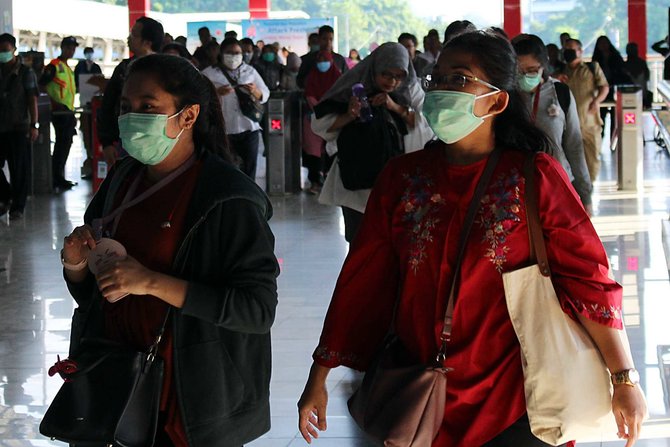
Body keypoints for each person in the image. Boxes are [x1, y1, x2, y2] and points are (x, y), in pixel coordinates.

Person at [298, 29, 647, 447]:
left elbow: (589, 279)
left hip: (519, 399)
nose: (442, 90)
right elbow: (363, 281)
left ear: (498, 100)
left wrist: (624, 377)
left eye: (459, 79)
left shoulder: (532, 176)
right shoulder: (402, 179)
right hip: (420, 393)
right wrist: (320, 373)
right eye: (437, 80)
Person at [59, 53, 279, 447]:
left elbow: (256, 310)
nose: (131, 118)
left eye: (148, 107)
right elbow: (99, 292)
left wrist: (153, 282)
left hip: (189, 402)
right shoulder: (124, 180)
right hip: (115, 385)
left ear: (188, 116)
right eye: (126, 107)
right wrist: (76, 264)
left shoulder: (228, 199)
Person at [312, 42, 425, 243]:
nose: (392, 82)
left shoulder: (410, 90)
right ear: (375, 68)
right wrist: (349, 114)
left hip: (396, 181)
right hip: (357, 182)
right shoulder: (353, 86)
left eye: (399, 76)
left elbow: (426, 123)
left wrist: (395, 107)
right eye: (386, 74)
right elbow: (321, 124)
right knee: (359, 242)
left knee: (392, 243)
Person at [512, 34, 592, 215]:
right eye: (519, 71)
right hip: (516, 190)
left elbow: (574, 144)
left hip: (558, 185)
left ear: (543, 65)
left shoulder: (560, 92)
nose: (525, 76)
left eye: (531, 70)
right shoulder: (507, 96)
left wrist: (584, 194)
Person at [98, 16, 164, 168]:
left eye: (134, 35)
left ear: (147, 42)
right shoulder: (123, 69)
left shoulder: (166, 71)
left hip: (160, 141)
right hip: (127, 142)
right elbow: (108, 105)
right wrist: (107, 142)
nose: (128, 39)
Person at [202, 38, 269, 180]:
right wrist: (217, 93)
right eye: (229, 52)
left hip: (249, 128)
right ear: (222, 53)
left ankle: (249, 198)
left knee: (249, 169)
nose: (234, 56)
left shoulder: (249, 71)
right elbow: (199, 96)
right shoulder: (209, 73)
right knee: (227, 170)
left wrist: (255, 91)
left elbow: (265, 93)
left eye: (237, 52)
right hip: (223, 130)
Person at [0, 33, 38, 220]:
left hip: (19, 127)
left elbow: (32, 100)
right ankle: (5, 195)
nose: (2, 54)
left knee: (18, 169)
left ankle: (18, 206)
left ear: (14, 50)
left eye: (5, 50)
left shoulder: (25, 72)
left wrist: (34, 124)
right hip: (1, 127)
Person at [560, 38, 609, 182]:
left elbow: (604, 87)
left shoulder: (592, 68)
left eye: (571, 48)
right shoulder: (561, 71)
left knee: (592, 158)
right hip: (568, 126)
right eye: (565, 48)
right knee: (570, 160)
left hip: (590, 123)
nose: (568, 51)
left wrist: (597, 101)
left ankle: (590, 186)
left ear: (580, 51)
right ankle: (576, 190)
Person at [39, 36, 78, 191]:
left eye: (74, 48)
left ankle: (58, 176)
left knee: (65, 144)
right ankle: (56, 177)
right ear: (62, 48)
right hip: (59, 112)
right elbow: (42, 86)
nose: (72, 50)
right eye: (69, 47)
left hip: (68, 111)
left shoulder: (67, 67)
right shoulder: (54, 66)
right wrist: (53, 104)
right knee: (62, 144)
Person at [302, 50, 342, 192]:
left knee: (331, 149)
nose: (322, 64)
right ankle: (315, 181)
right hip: (314, 117)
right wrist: (318, 108)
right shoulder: (312, 77)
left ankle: (329, 180)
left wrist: (328, 109)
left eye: (325, 60)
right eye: (319, 61)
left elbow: (340, 94)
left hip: (334, 117)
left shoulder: (338, 77)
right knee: (313, 150)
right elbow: (309, 95)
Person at [592, 36, 632, 139]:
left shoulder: (616, 56)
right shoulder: (596, 59)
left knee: (616, 115)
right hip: (601, 89)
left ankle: (613, 139)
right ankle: (601, 137)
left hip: (615, 88)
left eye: (605, 43)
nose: (603, 46)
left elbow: (621, 72)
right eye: (601, 44)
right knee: (601, 115)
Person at [74, 46, 103, 180]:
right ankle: (89, 159)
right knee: (86, 133)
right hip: (84, 104)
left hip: (94, 105)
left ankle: (95, 163)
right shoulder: (79, 66)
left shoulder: (96, 67)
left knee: (95, 134)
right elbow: (76, 83)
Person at [624, 42, 652, 108]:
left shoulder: (624, 65)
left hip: (628, 95)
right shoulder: (642, 63)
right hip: (642, 94)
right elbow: (647, 77)